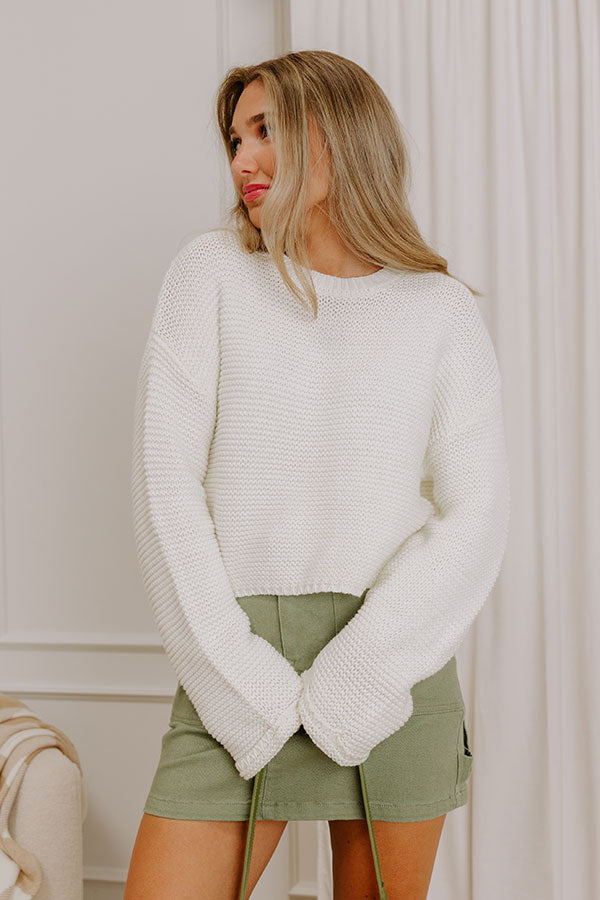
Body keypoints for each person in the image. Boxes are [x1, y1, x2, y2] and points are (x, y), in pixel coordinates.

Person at [124, 49, 510, 900]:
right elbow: (163, 489)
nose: (243, 159)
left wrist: (361, 676)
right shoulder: (210, 273)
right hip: (233, 658)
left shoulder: (439, 310)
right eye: (235, 139)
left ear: (338, 135)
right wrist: (240, 682)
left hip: (392, 666)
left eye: (266, 130)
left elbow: (477, 513)